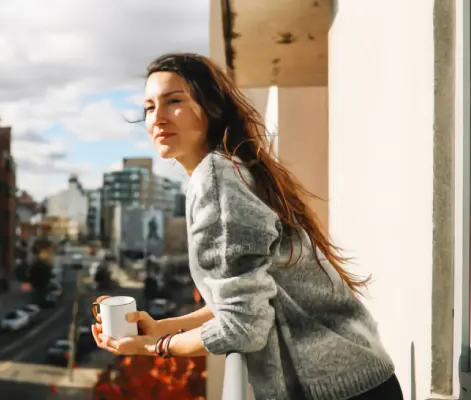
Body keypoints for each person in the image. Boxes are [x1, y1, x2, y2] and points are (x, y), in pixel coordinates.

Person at [91, 53, 403, 400]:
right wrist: (163, 326)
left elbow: (242, 327)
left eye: (174, 101)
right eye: (149, 107)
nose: (158, 117)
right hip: (360, 380)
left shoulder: (217, 179)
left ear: (210, 107)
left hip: (336, 391)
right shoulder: (232, 170)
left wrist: (156, 347)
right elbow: (248, 300)